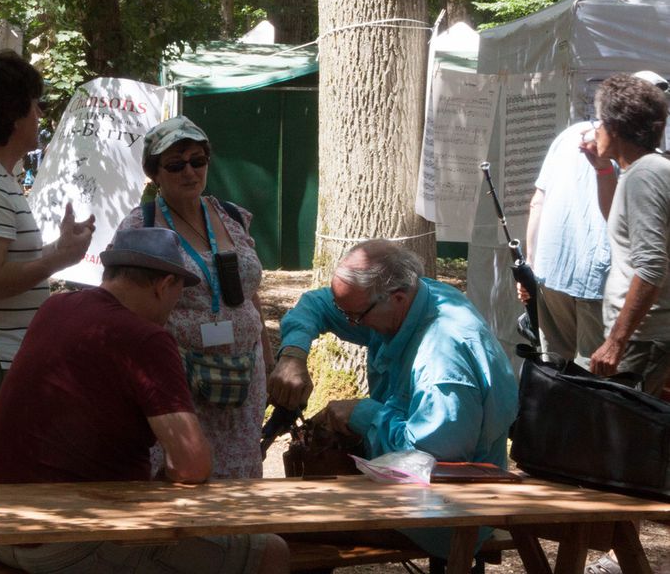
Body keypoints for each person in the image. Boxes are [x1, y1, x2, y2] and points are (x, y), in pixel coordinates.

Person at [0, 227, 289, 574]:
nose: (175, 308)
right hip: (73, 541)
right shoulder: (146, 339)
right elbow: (193, 464)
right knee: (271, 552)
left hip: (0, 528)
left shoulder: (55, 306)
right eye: (179, 293)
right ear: (164, 284)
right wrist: (167, 474)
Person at [267, 239, 518, 558]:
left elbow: (434, 460)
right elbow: (317, 305)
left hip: (446, 512)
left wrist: (362, 413)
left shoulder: (443, 359)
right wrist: (293, 354)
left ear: (397, 298)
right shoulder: (409, 300)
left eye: (355, 317)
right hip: (400, 490)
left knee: (287, 526)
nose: (351, 324)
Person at [0, 49, 95, 482]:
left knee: (5, 471)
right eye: (34, 102)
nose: (40, 113)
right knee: (1, 477)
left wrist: (57, 248)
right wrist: (58, 257)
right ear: (11, 114)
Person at [117, 115, 272, 479]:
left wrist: (265, 347)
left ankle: (242, 536)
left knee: (241, 472)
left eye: (197, 161)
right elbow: (124, 303)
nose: (189, 172)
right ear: (155, 173)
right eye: (175, 164)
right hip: (179, 376)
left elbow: (251, 293)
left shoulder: (233, 217)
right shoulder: (142, 225)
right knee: (185, 471)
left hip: (245, 375)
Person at [581, 73, 670, 396]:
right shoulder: (643, 171)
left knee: (625, 439)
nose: (596, 130)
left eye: (601, 122)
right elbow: (617, 223)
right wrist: (603, 169)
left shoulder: (644, 176)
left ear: (615, 128)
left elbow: (651, 268)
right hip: (643, 336)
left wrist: (615, 342)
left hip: (643, 338)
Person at [518, 120, 610, 365]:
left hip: (551, 271)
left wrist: (530, 265)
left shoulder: (568, 135)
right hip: (598, 277)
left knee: (554, 371)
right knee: (592, 377)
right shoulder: (631, 144)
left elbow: (537, 201)